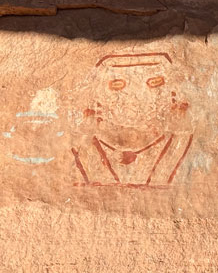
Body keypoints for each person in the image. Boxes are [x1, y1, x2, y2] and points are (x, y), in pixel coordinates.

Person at [72, 52, 193, 187]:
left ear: (172, 94)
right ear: (97, 95)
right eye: (117, 85)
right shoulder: (84, 147)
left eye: (154, 83)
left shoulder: (178, 144)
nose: (136, 98)